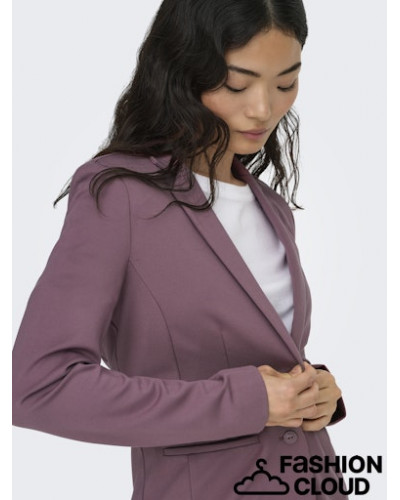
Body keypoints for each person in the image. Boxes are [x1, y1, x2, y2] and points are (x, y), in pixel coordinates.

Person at [12, 0, 347, 498]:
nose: (263, 109)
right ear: (184, 69)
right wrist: (246, 402)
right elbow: (41, 387)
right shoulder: (119, 195)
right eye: (237, 84)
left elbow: (255, 356)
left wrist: (315, 391)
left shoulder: (273, 208)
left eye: (285, 84)